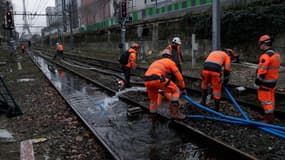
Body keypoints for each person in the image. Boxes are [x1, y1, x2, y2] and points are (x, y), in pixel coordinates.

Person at [144, 49, 186, 120]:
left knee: (153, 101)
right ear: (170, 57)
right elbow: (179, 76)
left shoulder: (156, 62)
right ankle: (175, 114)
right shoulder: (170, 62)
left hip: (146, 80)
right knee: (176, 90)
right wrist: (183, 87)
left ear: (162, 56)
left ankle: (153, 121)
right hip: (158, 78)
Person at [255, 35, 281, 124]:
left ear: (264, 44)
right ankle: (268, 115)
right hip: (273, 82)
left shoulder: (266, 55)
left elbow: (262, 70)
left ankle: (268, 119)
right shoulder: (276, 54)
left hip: (265, 82)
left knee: (265, 100)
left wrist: (257, 81)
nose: (260, 46)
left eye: (260, 44)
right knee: (271, 99)